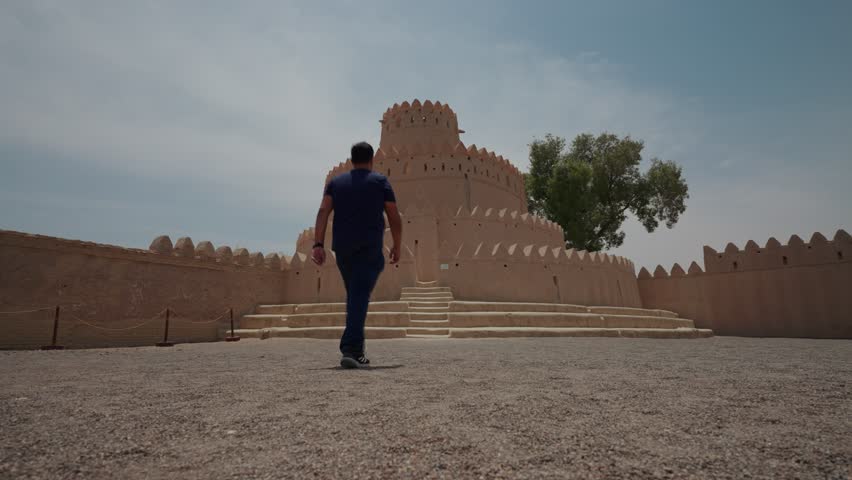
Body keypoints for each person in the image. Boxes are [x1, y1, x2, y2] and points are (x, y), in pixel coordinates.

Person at [311, 141, 402, 369]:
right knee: (359, 296)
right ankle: (351, 349)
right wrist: (397, 244)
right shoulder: (380, 181)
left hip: (342, 249)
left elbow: (323, 211)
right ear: (372, 160)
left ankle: (356, 349)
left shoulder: (336, 183)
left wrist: (318, 244)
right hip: (369, 248)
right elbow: (393, 214)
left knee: (355, 295)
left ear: (352, 160)